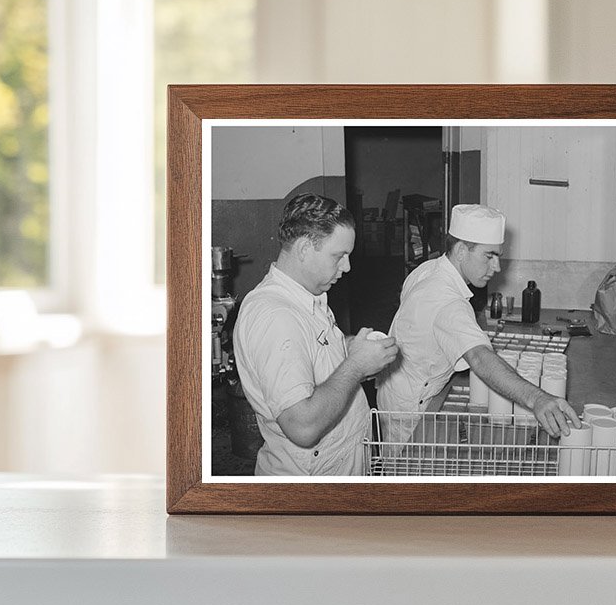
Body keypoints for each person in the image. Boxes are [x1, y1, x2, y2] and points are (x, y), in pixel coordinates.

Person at [375, 203, 581, 443]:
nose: (497, 267)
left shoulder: (428, 269)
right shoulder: (447, 300)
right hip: (410, 408)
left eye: (498, 256)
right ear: (461, 250)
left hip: (395, 388)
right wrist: (537, 399)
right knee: (407, 462)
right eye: (489, 256)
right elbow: (479, 358)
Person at [234, 192, 398, 476]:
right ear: (304, 249)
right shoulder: (276, 317)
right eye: (339, 256)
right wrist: (356, 365)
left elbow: (312, 355)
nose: (347, 267)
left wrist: (350, 348)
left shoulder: (306, 296)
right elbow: (302, 427)